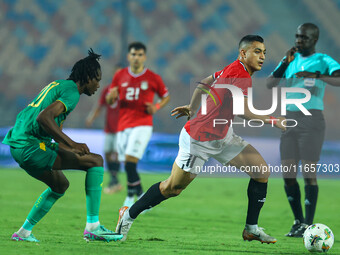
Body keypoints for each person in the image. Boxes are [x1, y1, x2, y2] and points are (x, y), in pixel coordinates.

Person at [115, 35, 286, 243]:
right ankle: (128, 215)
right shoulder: (239, 74)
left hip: (223, 135)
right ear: (243, 53)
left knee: (261, 171)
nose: (262, 57)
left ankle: (251, 229)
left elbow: (206, 81)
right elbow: (243, 111)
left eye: (264, 52)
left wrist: (192, 106)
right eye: (257, 51)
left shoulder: (233, 69)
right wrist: (273, 120)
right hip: (199, 139)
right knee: (172, 188)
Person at [2, 49, 123, 242]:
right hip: (29, 145)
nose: (99, 85)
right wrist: (73, 143)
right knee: (96, 161)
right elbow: (44, 118)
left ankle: (23, 233)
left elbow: (53, 129)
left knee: (60, 185)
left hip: (20, 144)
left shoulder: (59, 85)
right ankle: (93, 227)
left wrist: (71, 147)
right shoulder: (72, 92)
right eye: (98, 80)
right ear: (88, 77)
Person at [267, 23, 340, 237]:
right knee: (288, 174)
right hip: (289, 119)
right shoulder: (291, 60)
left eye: (304, 38)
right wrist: (283, 62)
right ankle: (298, 222)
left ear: (314, 40)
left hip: (311, 120)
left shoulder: (323, 60)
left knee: (309, 174)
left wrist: (317, 76)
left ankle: (309, 225)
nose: (299, 41)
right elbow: (270, 83)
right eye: (297, 36)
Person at [106, 42, 170, 207]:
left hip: (142, 124)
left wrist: (155, 107)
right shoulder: (119, 76)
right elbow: (109, 99)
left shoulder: (153, 77)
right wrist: (111, 96)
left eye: (140, 55)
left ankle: (129, 197)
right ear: (129, 56)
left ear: (144, 57)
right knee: (127, 164)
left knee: (129, 161)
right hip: (123, 125)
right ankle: (142, 196)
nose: (136, 58)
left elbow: (165, 96)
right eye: (133, 54)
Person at [86, 64, 123, 194]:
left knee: (116, 153)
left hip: (122, 129)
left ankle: (114, 180)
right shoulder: (107, 90)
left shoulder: (126, 91)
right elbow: (100, 106)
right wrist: (91, 117)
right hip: (109, 128)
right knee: (107, 152)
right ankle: (114, 180)